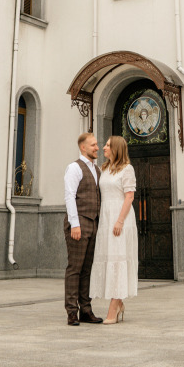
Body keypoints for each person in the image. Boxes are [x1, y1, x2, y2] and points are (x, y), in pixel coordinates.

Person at [89, 135, 138, 324]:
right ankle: (118, 303)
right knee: (109, 258)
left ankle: (114, 306)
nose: (103, 147)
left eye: (108, 145)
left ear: (116, 148)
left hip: (121, 218)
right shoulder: (104, 168)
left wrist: (119, 221)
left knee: (118, 259)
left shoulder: (127, 169)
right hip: (106, 218)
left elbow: (129, 197)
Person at [63, 131, 103, 326]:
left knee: (87, 270)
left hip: (93, 223)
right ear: (83, 147)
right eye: (93, 145)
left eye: (97, 145)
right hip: (79, 223)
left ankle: (86, 310)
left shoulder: (97, 169)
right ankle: (72, 311)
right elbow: (69, 196)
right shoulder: (74, 167)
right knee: (75, 269)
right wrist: (75, 224)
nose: (97, 148)